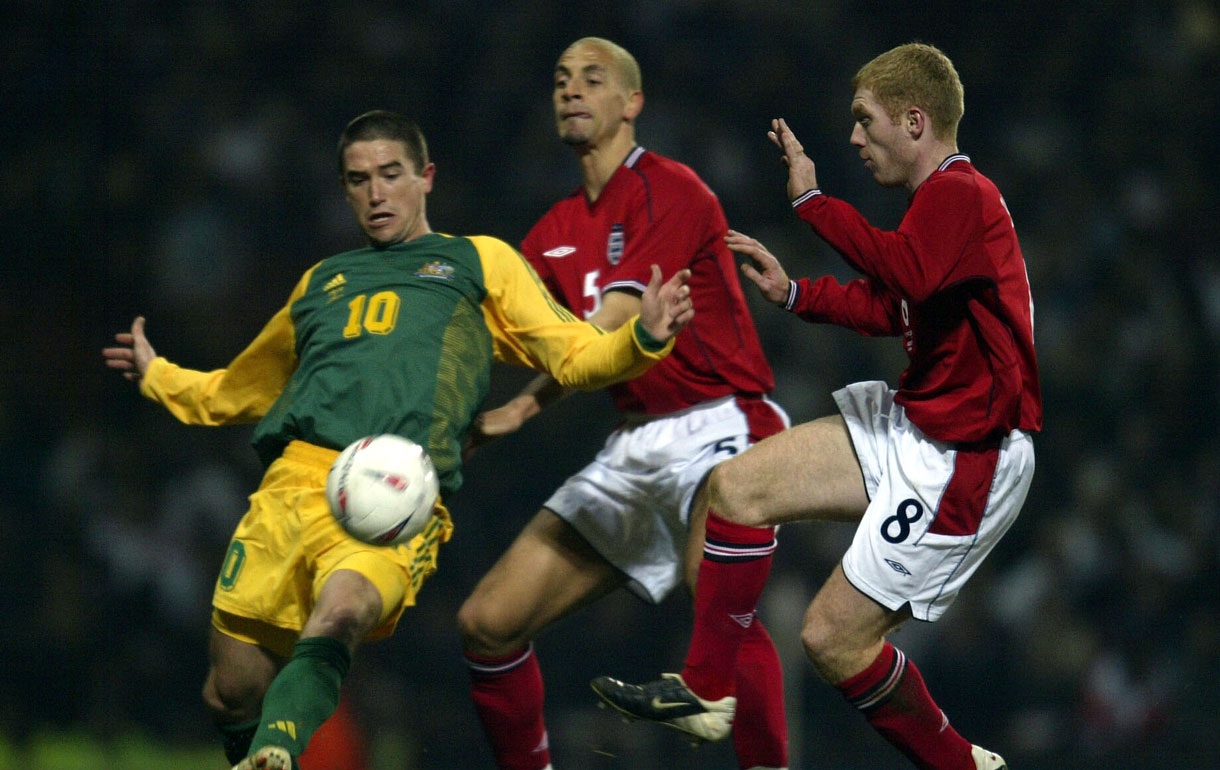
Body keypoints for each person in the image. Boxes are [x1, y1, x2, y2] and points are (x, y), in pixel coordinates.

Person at [102, 109, 694, 770]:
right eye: (359, 180)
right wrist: (159, 375)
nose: (377, 193)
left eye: (391, 175)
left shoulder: (478, 262)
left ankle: (276, 750)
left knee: (343, 612)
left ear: (426, 177)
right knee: (232, 689)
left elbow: (573, 356)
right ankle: (253, 741)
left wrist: (641, 338)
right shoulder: (321, 281)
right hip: (292, 486)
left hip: (396, 488)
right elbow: (241, 390)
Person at [590, 43, 1041, 770]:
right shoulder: (937, 205)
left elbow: (910, 274)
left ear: (915, 120)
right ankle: (706, 694)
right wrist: (796, 293)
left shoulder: (965, 194)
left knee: (831, 641)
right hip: (915, 423)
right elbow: (896, 302)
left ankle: (958, 764)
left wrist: (811, 202)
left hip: (969, 459)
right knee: (735, 489)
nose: (855, 138)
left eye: (865, 122)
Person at [456, 37, 790, 770]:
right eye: (560, 79)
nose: (571, 90)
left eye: (592, 79)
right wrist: (512, 409)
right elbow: (518, 338)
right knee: (488, 621)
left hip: (722, 421)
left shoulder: (672, 189)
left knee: (718, 599)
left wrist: (532, 384)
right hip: (634, 441)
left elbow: (608, 325)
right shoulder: (552, 232)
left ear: (631, 103)